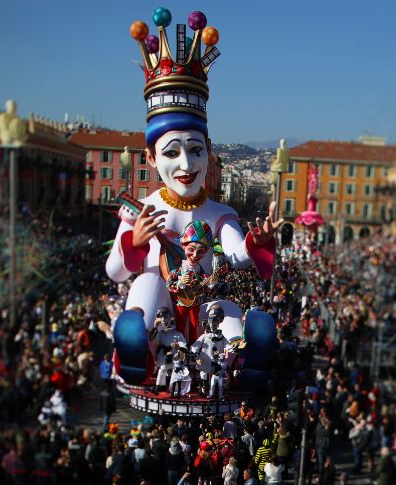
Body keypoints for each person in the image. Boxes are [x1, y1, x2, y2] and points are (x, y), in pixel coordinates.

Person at [110, 8, 282, 384]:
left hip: (203, 306)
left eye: (195, 149)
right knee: (147, 283)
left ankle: (244, 358)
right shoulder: (145, 210)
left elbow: (235, 256)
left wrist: (257, 242)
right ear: (151, 158)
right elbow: (115, 271)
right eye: (171, 152)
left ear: (208, 149)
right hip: (161, 311)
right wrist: (134, 242)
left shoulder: (219, 212)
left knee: (226, 310)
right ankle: (138, 350)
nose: (186, 163)